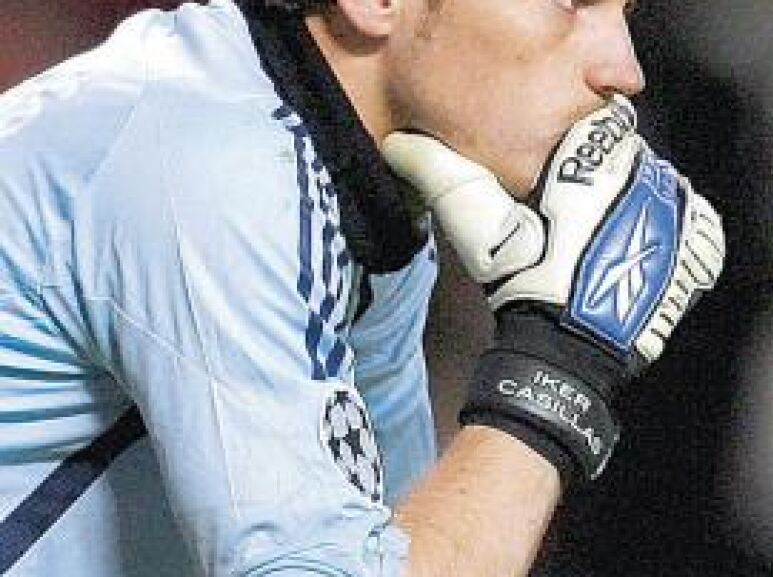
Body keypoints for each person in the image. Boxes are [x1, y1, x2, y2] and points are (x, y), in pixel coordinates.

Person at [0, 0, 724, 575]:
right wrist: (558, 366)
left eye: (625, 12)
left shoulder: (359, 194)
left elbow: (390, 548)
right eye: (570, 2)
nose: (625, 70)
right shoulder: (206, 162)